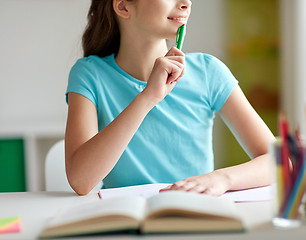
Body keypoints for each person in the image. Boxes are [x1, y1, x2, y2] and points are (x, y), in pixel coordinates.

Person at [65, 0, 275, 196]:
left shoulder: (209, 72)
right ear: (123, 7)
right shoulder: (89, 74)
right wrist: (148, 97)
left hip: (192, 217)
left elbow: (278, 161)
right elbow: (81, 181)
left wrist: (221, 178)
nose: (186, 3)